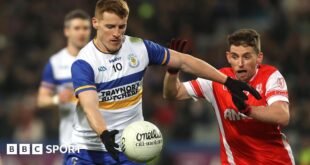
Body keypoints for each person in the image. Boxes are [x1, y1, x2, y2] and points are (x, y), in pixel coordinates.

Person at [66, 1, 260, 164]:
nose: (117, 33)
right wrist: (103, 133)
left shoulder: (138, 47)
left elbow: (184, 61)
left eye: (121, 26)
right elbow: (90, 106)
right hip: (87, 150)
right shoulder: (85, 63)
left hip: (129, 147)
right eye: (110, 26)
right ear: (95, 23)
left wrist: (227, 81)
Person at [163, 29, 295, 165]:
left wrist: (247, 109)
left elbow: (282, 116)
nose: (240, 63)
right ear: (228, 57)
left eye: (247, 57)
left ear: (259, 57)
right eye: (235, 56)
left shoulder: (270, 76)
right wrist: (173, 70)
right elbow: (173, 93)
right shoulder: (217, 80)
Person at [37, 9, 91, 152]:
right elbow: (41, 100)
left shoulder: (100, 58)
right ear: (67, 31)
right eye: (77, 28)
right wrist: (57, 99)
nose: (82, 33)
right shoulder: (55, 63)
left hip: (102, 139)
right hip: (71, 142)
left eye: (85, 28)